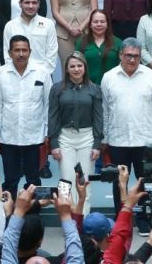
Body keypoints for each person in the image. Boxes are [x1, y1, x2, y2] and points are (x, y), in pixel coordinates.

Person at [100, 38, 152, 223]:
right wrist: (104, 138)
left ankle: (145, 220)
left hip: (145, 140)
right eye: (128, 55)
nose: (132, 59)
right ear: (120, 55)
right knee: (118, 183)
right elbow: (105, 110)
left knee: (146, 183)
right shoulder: (109, 77)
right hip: (117, 140)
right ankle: (121, 219)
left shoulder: (151, 76)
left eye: (136, 56)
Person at [0, 34, 52, 193]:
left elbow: (48, 105)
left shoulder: (42, 73)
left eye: (24, 50)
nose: (21, 54)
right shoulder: (0, 74)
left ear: (30, 51)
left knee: (34, 180)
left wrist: (47, 133)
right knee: (10, 179)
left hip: (35, 137)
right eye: (17, 50)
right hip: (8, 137)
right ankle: (9, 208)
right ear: (9, 53)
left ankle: (34, 209)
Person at [48, 51, 103, 215]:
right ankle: (67, 219)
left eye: (79, 66)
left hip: (87, 138)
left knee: (84, 181)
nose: (76, 69)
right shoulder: (57, 89)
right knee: (66, 181)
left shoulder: (94, 89)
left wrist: (97, 144)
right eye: (72, 66)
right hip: (65, 137)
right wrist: (54, 144)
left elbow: (98, 118)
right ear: (66, 69)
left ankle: (83, 218)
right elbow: (52, 117)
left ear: (85, 68)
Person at [1, 185, 84, 264]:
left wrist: (15, 211)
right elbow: (76, 248)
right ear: (40, 242)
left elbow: (8, 241)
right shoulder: (56, 260)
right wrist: (70, 211)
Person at [2, 0, 58, 75]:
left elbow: (52, 53)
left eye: (34, 3)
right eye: (27, 2)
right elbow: (7, 54)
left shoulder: (48, 24)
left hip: (42, 75)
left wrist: (42, 75)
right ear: (20, 4)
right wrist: (15, 74)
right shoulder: (10, 26)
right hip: (16, 75)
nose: (31, 6)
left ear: (39, 4)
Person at [75, 9, 122, 85]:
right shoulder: (81, 42)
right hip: (87, 87)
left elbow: (122, 68)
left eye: (102, 22)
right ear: (90, 25)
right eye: (95, 22)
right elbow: (75, 66)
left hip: (113, 86)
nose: (99, 24)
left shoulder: (118, 43)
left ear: (107, 24)